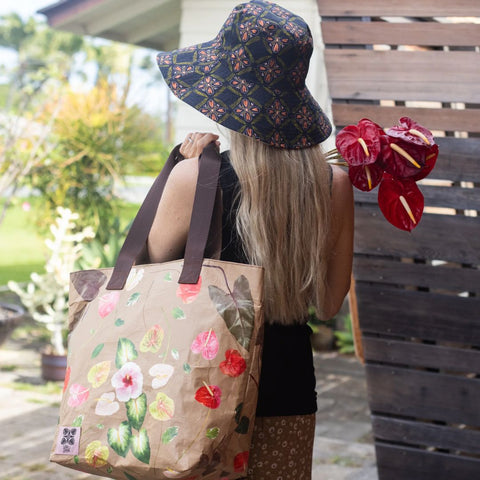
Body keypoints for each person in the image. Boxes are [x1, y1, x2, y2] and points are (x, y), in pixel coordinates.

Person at [148, 1, 354, 478]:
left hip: (200, 383)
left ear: (224, 93)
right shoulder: (333, 184)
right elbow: (327, 303)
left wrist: (178, 165)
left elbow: (152, 267)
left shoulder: (197, 177)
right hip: (289, 390)